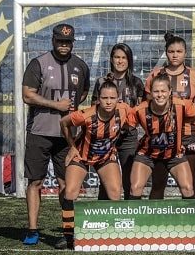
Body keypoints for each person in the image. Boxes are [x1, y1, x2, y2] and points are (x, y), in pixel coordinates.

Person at [21, 23, 90, 248]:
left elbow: (83, 93)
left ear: (72, 43)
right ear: (53, 40)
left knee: (65, 184)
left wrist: (69, 115)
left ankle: (67, 231)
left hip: (68, 137)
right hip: (39, 132)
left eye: (67, 42)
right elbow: (27, 95)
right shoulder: (38, 63)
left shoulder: (81, 66)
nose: (64, 45)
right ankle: (32, 230)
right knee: (36, 181)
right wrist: (55, 104)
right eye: (60, 41)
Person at [58, 77, 135, 249]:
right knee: (70, 191)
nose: (108, 102)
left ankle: (112, 232)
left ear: (118, 99)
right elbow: (63, 122)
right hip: (81, 156)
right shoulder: (86, 115)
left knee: (115, 192)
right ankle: (68, 236)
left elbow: (136, 121)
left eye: (112, 98)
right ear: (98, 99)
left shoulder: (124, 110)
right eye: (105, 98)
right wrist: (71, 146)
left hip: (105, 157)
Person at [144, 32, 195, 199]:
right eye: (171, 51)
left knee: (189, 185)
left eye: (179, 51)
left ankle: (193, 224)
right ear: (166, 52)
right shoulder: (156, 74)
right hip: (162, 136)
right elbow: (148, 103)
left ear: (185, 53)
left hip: (189, 134)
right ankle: (155, 224)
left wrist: (182, 116)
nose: (175, 55)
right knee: (158, 184)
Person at [129, 72, 195, 199]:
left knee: (188, 188)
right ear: (150, 92)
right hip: (147, 154)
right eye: (156, 91)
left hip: (174, 155)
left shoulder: (181, 105)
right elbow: (124, 124)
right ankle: (136, 218)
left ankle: (187, 218)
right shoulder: (140, 110)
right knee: (135, 188)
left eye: (163, 91)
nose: (160, 95)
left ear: (170, 91)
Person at [91, 43, 144, 200]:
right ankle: (105, 217)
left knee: (130, 178)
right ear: (111, 60)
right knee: (106, 180)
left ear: (129, 60)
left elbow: (142, 110)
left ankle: (131, 216)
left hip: (128, 137)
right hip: (106, 137)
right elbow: (94, 108)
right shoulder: (101, 82)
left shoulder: (136, 83)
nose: (120, 61)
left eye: (123, 57)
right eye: (117, 57)